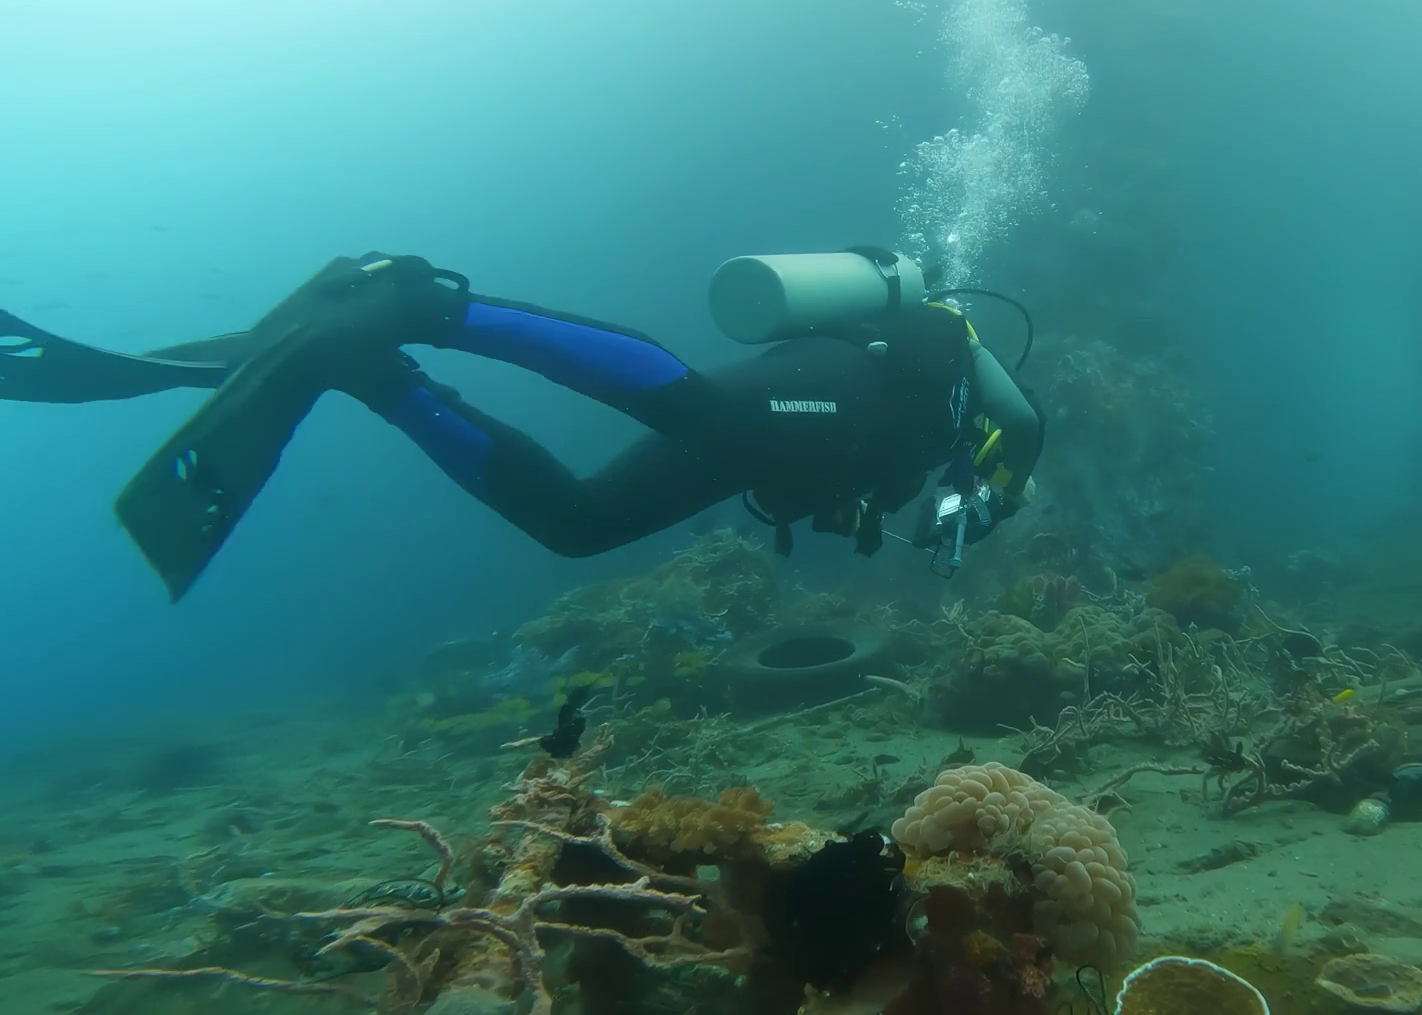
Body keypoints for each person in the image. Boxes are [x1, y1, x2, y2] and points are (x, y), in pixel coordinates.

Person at [0, 248, 1042, 600]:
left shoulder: (953, 405)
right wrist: (989, 497)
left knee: (578, 524)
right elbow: (1023, 434)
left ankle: (377, 375)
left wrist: (963, 491)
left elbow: (976, 462)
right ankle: (426, 306)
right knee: (706, 409)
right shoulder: (968, 365)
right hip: (830, 396)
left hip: (800, 435)